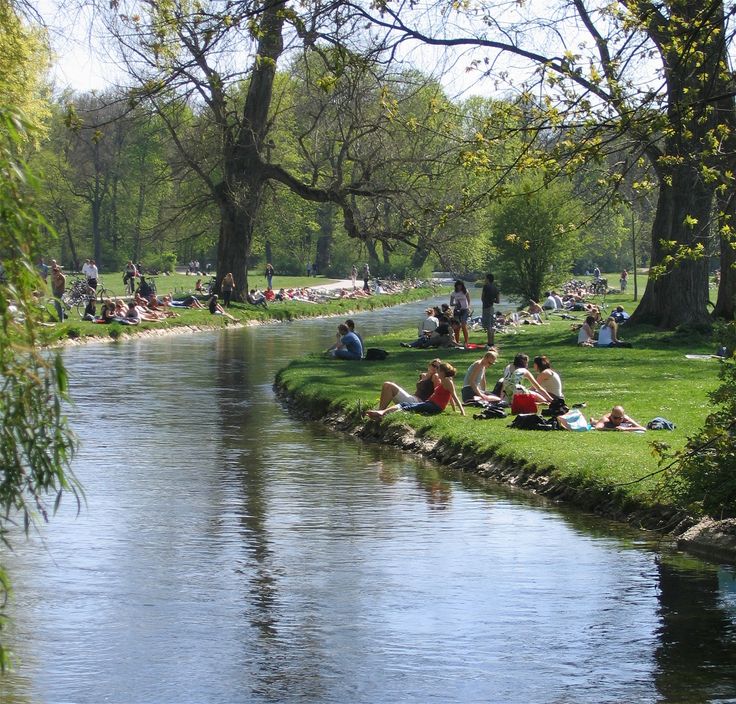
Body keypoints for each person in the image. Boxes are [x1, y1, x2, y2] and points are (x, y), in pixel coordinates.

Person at [367, 362, 466, 419]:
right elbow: (449, 397)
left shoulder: (447, 381)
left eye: (438, 370)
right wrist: (454, 410)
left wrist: (462, 412)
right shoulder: (444, 380)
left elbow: (454, 396)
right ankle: (382, 413)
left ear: (443, 372)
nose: (437, 372)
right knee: (406, 405)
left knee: (407, 406)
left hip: (435, 406)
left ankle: (383, 414)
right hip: (430, 403)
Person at [375, 359, 441, 410]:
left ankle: (380, 411)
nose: (435, 368)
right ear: (429, 365)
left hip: (418, 403)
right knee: (387, 385)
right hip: (413, 398)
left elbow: (438, 392)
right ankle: (380, 410)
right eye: (434, 365)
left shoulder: (435, 377)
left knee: (388, 385)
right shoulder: (423, 375)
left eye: (437, 367)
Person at [481, 273, 500, 348]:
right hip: (492, 307)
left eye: (485, 278)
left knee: (488, 326)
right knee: (491, 325)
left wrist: (486, 301)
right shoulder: (496, 288)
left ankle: (489, 343)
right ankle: (492, 342)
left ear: (488, 279)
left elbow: (482, 298)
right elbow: (498, 301)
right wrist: (492, 300)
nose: (484, 280)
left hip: (486, 308)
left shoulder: (485, 286)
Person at [450, 280, 471, 346]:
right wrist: (456, 304)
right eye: (458, 286)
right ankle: (457, 342)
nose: (459, 287)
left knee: (463, 325)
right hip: (457, 310)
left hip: (465, 310)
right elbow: (451, 303)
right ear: (456, 286)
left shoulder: (465, 291)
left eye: (460, 285)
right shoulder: (453, 293)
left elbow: (468, 300)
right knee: (457, 327)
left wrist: (468, 308)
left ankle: (466, 341)